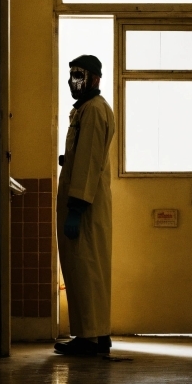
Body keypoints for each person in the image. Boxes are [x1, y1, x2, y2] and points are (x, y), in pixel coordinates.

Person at [55, 55, 115, 356]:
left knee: (85, 269)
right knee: (85, 269)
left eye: (79, 74)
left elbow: (89, 163)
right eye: (71, 74)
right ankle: (95, 333)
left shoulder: (94, 111)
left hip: (85, 206)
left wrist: (77, 208)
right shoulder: (85, 110)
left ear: (95, 78)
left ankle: (90, 338)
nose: (73, 80)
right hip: (84, 201)